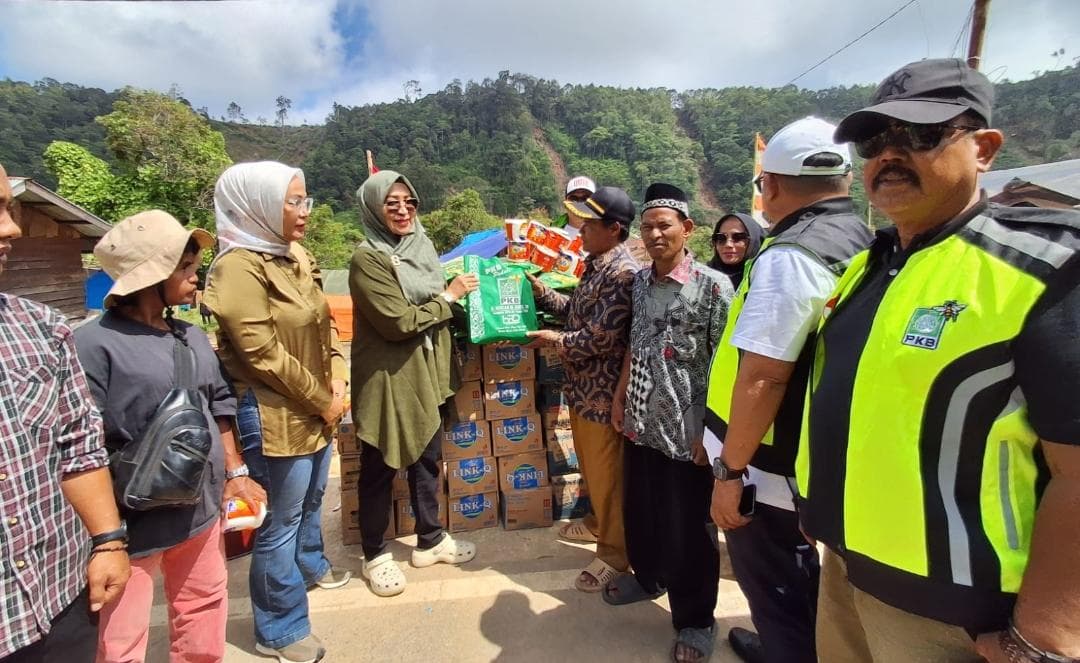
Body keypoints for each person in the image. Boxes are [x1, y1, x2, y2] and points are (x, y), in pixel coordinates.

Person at [797, 58, 1080, 663]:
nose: (889, 156)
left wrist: (1045, 637)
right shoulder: (868, 266)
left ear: (984, 148)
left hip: (955, 615)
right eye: (874, 142)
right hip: (845, 570)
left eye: (920, 135)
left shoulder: (1042, 269)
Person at [705, 117, 873, 663]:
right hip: (807, 453)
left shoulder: (790, 256)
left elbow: (763, 374)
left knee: (777, 586)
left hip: (766, 465)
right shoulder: (860, 238)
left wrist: (730, 473)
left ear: (769, 185)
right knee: (802, 582)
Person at [75, 210, 265, 662]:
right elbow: (83, 444)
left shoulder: (191, 337)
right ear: (151, 276)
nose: (194, 279)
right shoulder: (92, 346)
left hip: (199, 509)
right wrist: (106, 537)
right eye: (185, 268)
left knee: (204, 604)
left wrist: (236, 472)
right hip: (133, 519)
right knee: (120, 633)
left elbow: (219, 407)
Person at [205, 161, 349, 663]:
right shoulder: (237, 266)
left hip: (316, 403)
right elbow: (261, 353)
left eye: (304, 200)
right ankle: (279, 627)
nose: (304, 211)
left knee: (311, 500)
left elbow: (324, 321)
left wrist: (337, 374)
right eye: (293, 201)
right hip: (272, 410)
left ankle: (310, 566)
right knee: (279, 520)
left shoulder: (293, 255)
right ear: (259, 206)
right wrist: (322, 398)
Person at [0, 164, 130, 663]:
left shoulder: (42, 328)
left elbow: (79, 446)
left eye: (9, 209)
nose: (12, 227)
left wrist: (108, 543)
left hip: (61, 595)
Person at [607, 183, 733, 663]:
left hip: (688, 430)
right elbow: (634, 346)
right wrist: (621, 398)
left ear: (687, 229)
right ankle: (649, 576)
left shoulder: (714, 287)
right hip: (640, 418)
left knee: (688, 526)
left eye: (665, 225)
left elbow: (727, 366)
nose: (655, 234)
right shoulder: (639, 282)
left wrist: (714, 434)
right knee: (642, 511)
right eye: (648, 226)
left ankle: (697, 619)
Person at [349, 170, 479, 597]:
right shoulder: (368, 258)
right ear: (373, 209)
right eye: (392, 203)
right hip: (390, 376)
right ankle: (375, 555)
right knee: (382, 463)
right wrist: (450, 297)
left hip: (427, 370)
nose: (403, 210)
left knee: (427, 457)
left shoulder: (420, 245)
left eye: (410, 202)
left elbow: (437, 301)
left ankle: (430, 538)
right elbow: (398, 322)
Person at [527, 185, 639, 592]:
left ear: (614, 229)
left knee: (608, 477)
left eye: (589, 225)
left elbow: (601, 338)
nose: (580, 232)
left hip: (603, 395)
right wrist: (541, 291)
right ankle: (596, 525)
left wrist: (554, 340)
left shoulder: (622, 272)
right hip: (582, 389)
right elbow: (576, 312)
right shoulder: (596, 263)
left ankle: (615, 554)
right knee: (592, 470)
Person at [707, 213, 763, 290]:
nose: (728, 245)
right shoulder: (703, 278)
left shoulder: (765, 280)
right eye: (721, 238)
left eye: (738, 237)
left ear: (753, 242)